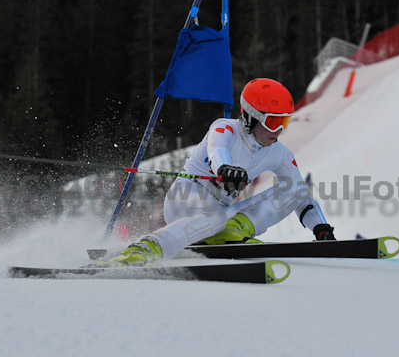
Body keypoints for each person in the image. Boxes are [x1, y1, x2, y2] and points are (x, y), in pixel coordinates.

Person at [112, 78, 336, 264]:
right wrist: (225, 169)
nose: (278, 130)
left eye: (284, 121)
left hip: (221, 214)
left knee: (295, 190)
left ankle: (229, 233)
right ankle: (148, 246)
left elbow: (299, 197)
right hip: (185, 201)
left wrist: (320, 228)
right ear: (251, 116)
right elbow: (217, 149)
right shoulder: (225, 127)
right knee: (215, 218)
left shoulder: (279, 153)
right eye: (273, 121)